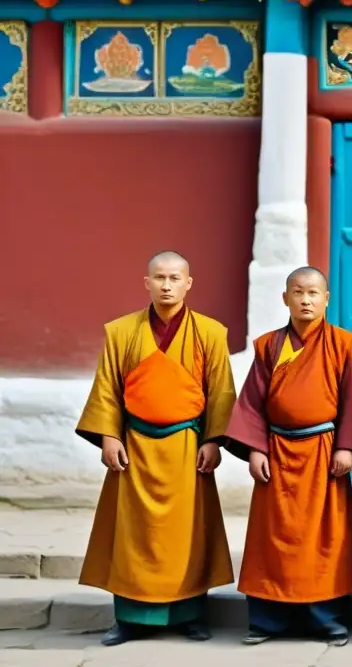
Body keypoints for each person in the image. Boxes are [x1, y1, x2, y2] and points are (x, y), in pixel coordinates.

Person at [75, 251, 235, 647]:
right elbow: (108, 389)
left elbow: (221, 393)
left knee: (187, 534)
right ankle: (130, 618)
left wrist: (213, 440)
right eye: (159, 278)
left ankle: (190, 615)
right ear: (146, 282)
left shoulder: (210, 333)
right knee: (134, 534)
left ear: (188, 283)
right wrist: (109, 436)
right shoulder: (121, 331)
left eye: (174, 278)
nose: (167, 285)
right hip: (135, 447)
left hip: (187, 446)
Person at [224, 266, 352, 647]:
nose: (306, 300)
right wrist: (255, 449)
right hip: (276, 452)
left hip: (323, 453)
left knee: (324, 539)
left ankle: (327, 620)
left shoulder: (343, 345)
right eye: (298, 292)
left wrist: (346, 446)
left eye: (313, 293)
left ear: (327, 299)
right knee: (273, 539)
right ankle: (268, 621)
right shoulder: (269, 346)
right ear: (285, 298)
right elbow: (253, 403)